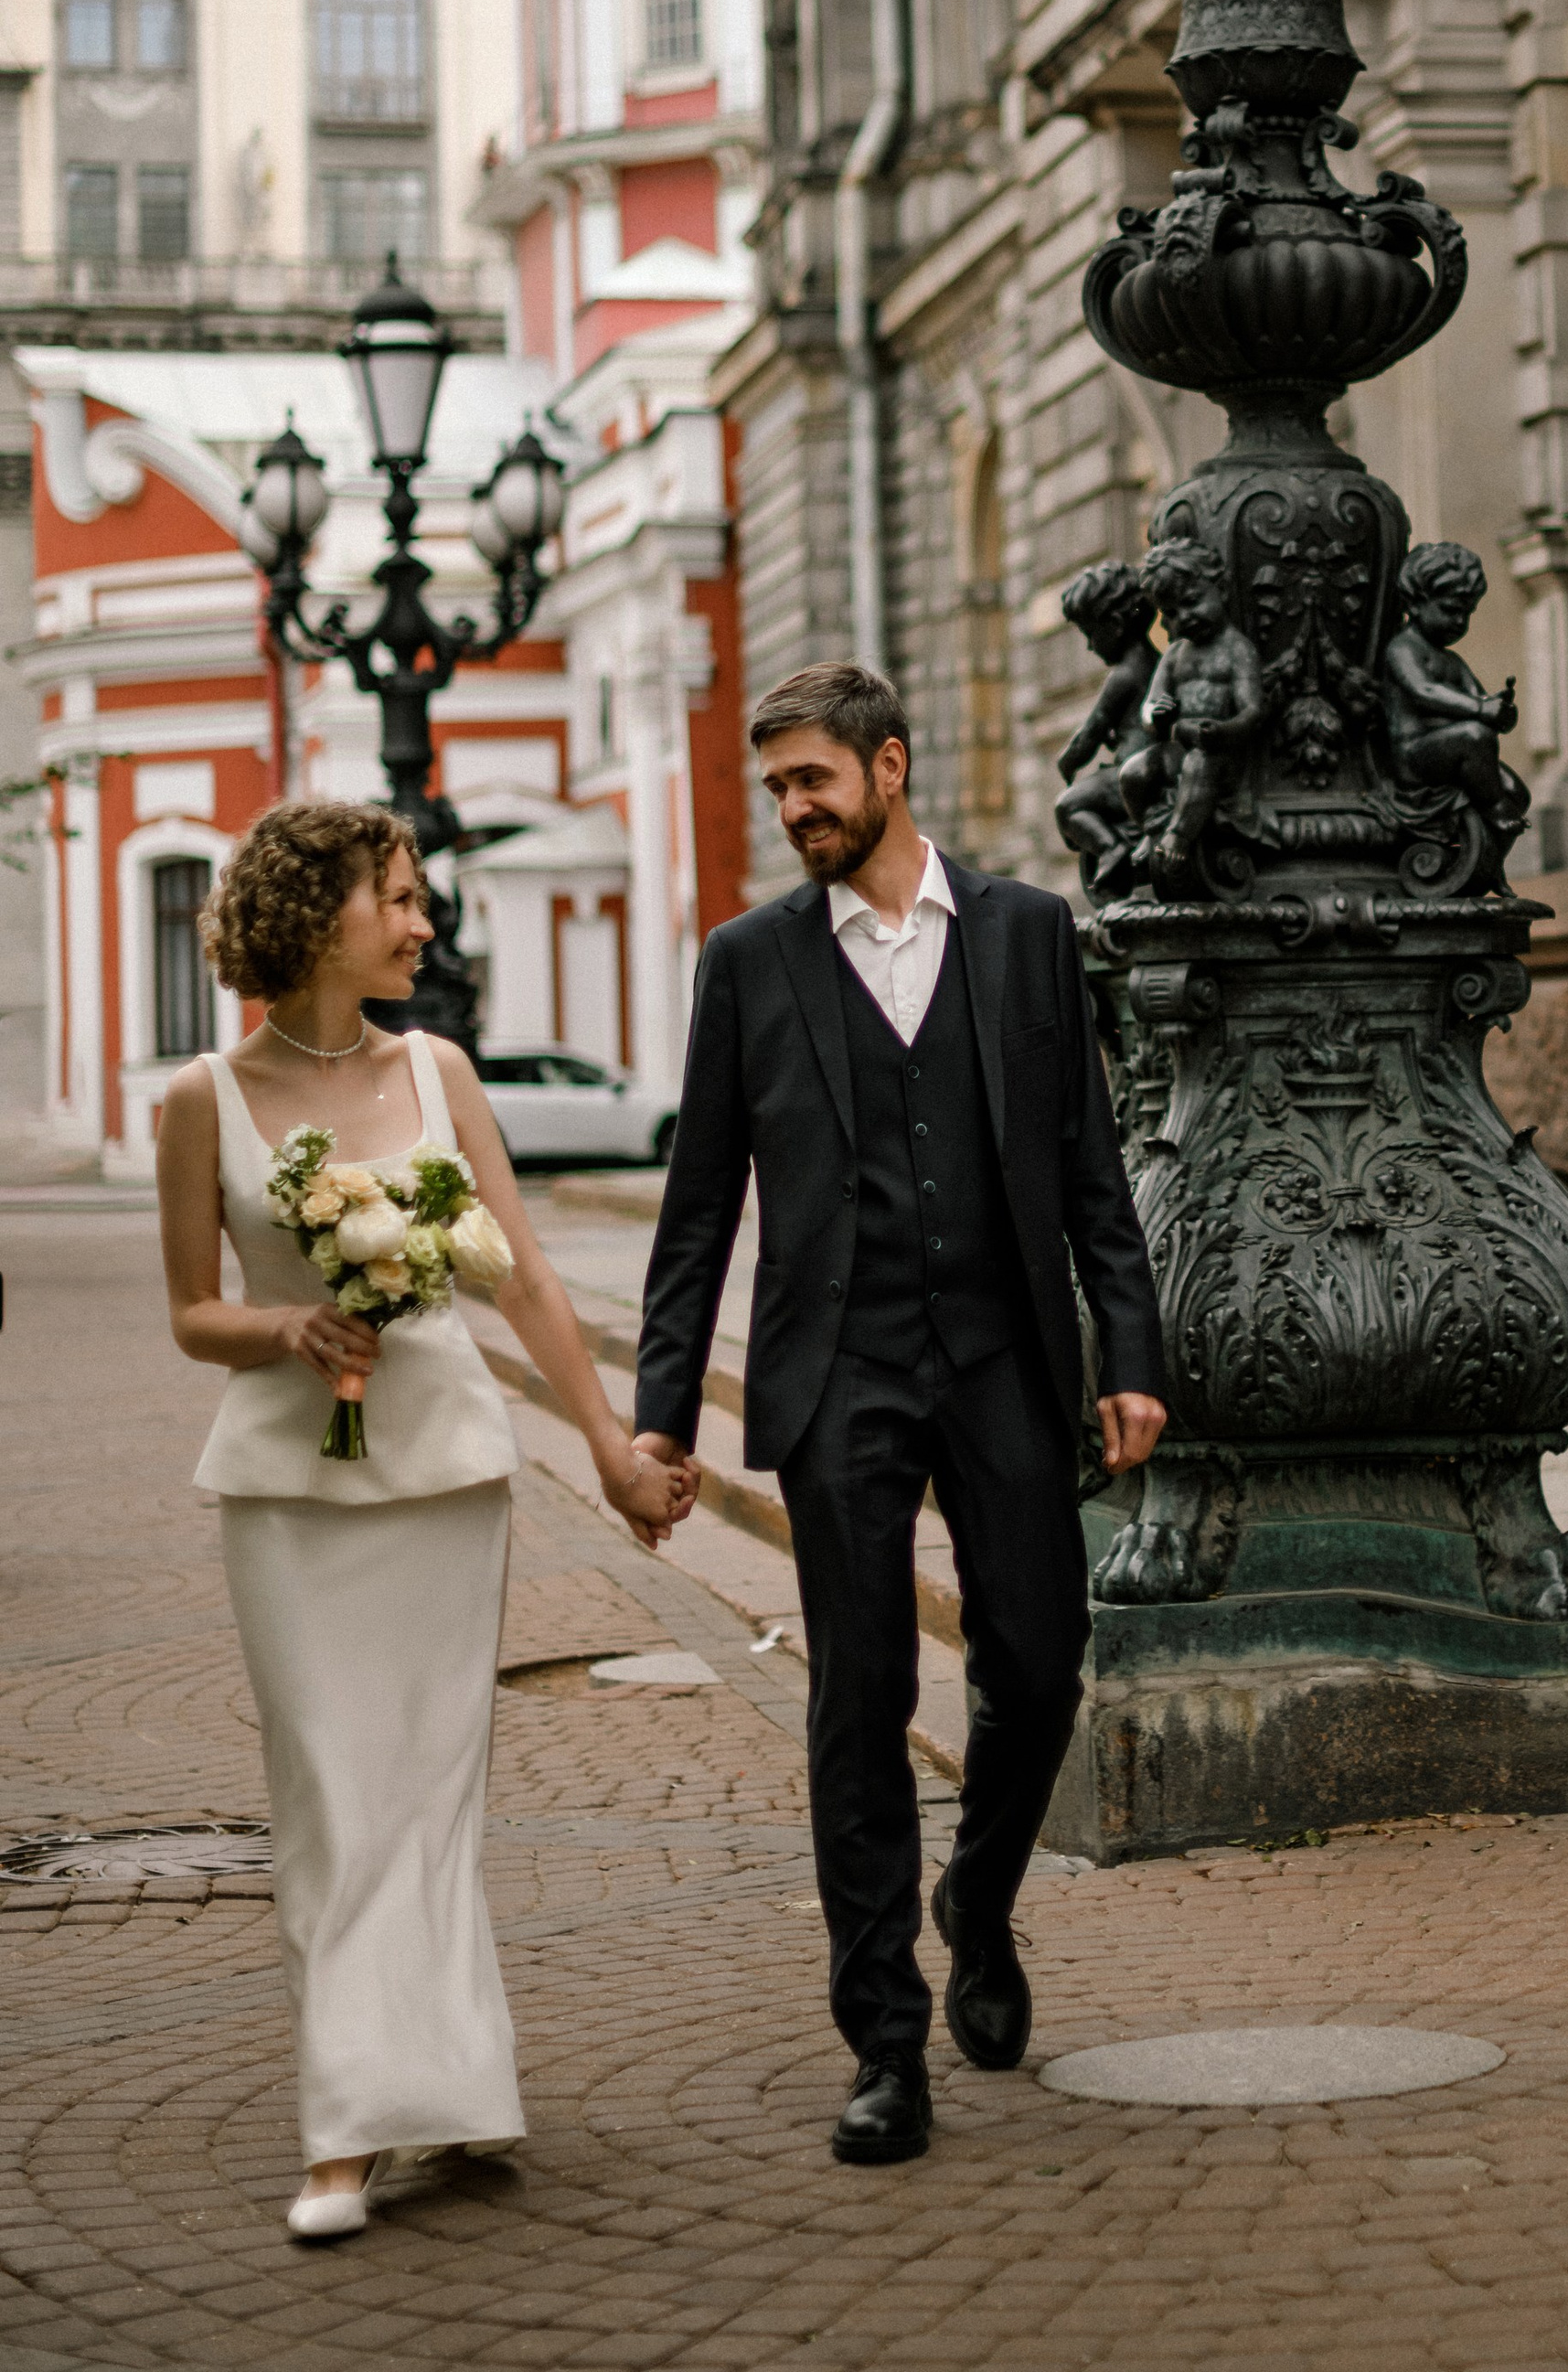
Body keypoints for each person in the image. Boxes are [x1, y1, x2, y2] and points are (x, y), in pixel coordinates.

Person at [634, 661, 1168, 2168]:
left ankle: (978, 1902)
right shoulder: (749, 963)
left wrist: (1127, 1350)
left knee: (1041, 1661)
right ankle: (883, 2040)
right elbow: (696, 1213)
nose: (793, 809)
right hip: (837, 1373)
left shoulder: (1025, 937)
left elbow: (1089, 1173)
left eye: (814, 780)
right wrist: (661, 1415)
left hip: (1004, 1353)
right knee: (856, 1703)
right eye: (778, 789)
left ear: (889, 764)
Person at [156, 803, 697, 2243]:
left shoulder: (441, 1069)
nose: (421, 925)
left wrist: (610, 1449)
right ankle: (346, 2126)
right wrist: (288, 1326)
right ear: (321, 913)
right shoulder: (202, 1094)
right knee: (333, 1793)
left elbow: (519, 1282)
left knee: (429, 1794)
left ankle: (447, 2087)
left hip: (446, 1478)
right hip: (288, 1490)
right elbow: (191, 1312)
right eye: (397, 899)